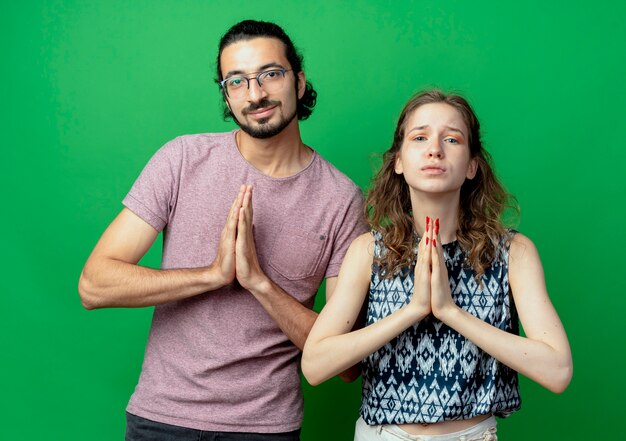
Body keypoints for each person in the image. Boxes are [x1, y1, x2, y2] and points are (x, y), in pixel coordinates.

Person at [79, 19, 367, 440]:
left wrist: (259, 284)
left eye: (270, 74)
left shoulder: (341, 199)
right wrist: (211, 275)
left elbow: (346, 363)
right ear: (226, 95)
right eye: (237, 81)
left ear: (299, 82)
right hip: (161, 419)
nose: (256, 94)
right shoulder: (182, 159)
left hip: (265, 428)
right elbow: (94, 285)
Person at [302, 90, 573, 440]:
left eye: (452, 139)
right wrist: (414, 309)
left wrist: (450, 311)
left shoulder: (513, 252)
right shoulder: (369, 251)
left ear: (473, 164)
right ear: (398, 160)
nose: (435, 149)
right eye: (419, 137)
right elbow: (314, 365)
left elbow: (558, 370)